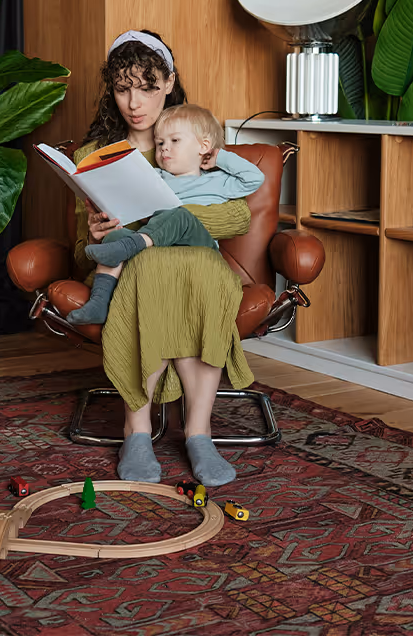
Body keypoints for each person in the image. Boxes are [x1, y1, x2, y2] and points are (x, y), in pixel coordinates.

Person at [72, 29, 255, 488]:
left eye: (148, 87)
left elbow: (237, 217)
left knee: (200, 269)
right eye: (122, 88)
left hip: (197, 262)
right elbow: (81, 249)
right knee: (151, 267)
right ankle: (136, 430)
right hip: (128, 270)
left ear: (169, 82)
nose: (134, 102)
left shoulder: (189, 135)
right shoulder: (93, 155)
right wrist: (96, 231)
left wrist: (167, 221)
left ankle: (199, 432)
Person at [67, 103, 265, 326]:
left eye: (175, 141)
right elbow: (129, 195)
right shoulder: (155, 177)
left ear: (204, 146)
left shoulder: (218, 181)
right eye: (160, 143)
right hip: (158, 256)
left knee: (179, 215)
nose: (164, 148)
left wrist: (219, 157)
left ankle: (130, 246)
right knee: (114, 238)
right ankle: (99, 302)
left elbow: (254, 178)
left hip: (198, 253)